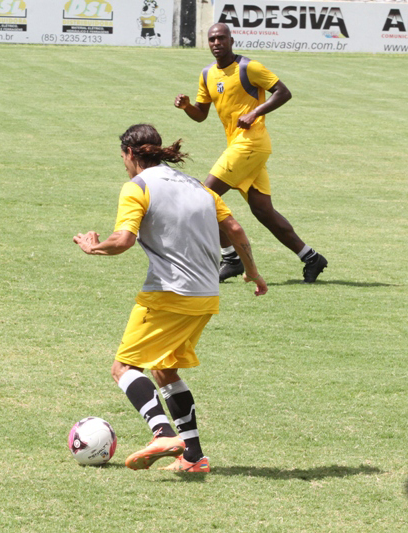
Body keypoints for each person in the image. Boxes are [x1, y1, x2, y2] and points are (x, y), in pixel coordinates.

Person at [73, 124, 267, 473]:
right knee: (165, 370)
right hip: (206, 296)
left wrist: (93, 247)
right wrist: (252, 270)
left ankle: (162, 433)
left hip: (168, 293)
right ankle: (193, 457)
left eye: (123, 159)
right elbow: (235, 230)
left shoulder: (137, 187)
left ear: (130, 154)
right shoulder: (198, 187)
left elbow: (123, 240)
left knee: (124, 368)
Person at [174, 23, 328, 283]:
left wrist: (255, 112)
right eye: (212, 39)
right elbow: (201, 115)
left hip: (251, 144)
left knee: (203, 196)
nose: (216, 43)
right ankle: (311, 257)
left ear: (231, 40)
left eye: (221, 38)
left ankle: (231, 258)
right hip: (240, 146)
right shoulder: (207, 74)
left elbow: (284, 92)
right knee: (263, 211)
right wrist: (188, 106)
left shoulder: (249, 67)